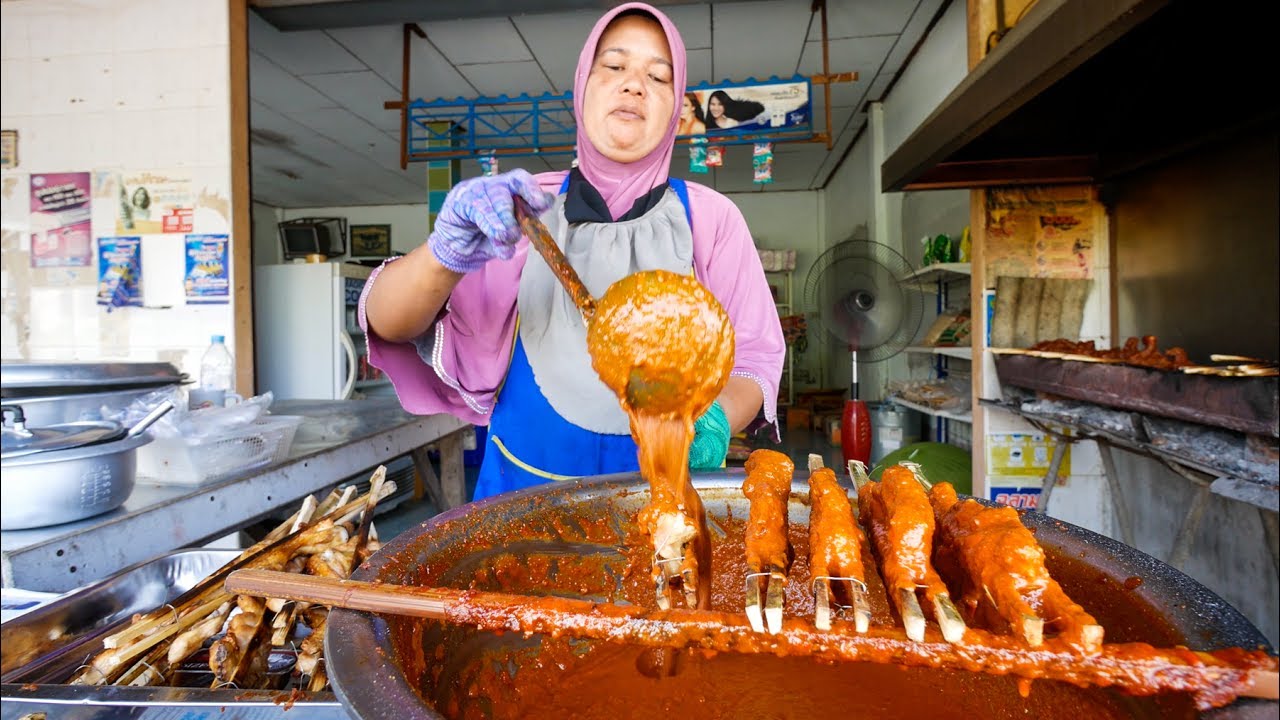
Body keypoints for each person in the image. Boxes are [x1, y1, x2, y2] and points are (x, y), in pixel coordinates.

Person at [361, 2, 784, 501]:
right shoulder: (520, 210)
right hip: (518, 504)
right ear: (582, 85)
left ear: (676, 109)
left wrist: (716, 418)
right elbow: (389, 322)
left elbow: (754, 358)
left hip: (661, 504)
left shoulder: (711, 220)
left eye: (659, 76)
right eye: (615, 66)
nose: (634, 84)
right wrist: (444, 251)